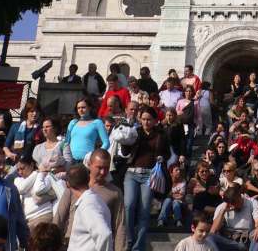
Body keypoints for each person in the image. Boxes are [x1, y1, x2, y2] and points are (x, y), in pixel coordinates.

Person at [118, 105, 170, 251]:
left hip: (150, 174)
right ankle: (128, 240)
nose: (146, 122)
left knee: (145, 209)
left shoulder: (161, 135)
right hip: (132, 173)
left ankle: (138, 246)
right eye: (143, 119)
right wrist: (125, 139)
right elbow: (125, 151)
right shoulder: (135, 132)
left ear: (155, 120)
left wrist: (162, 158)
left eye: (149, 119)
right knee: (129, 205)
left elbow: (167, 153)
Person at [54, 149, 126, 251]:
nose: (103, 172)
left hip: (97, 245)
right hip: (70, 242)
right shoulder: (76, 185)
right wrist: (51, 242)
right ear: (90, 164)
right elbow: (60, 216)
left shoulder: (114, 192)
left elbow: (120, 225)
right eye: (99, 167)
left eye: (106, 168)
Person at [65, 164, 112, 251]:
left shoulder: (88, 205)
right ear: (88, 179)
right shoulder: (93, 200)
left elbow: (104, 234)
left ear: (68, 184)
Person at [207, 184, 258, 251]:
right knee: (210, 237)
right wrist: (223, 211)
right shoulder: (222, 207)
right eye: (231, 203)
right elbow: (213, 231)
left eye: (235, 203)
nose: (233, 206)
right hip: (229, 240)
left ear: (240, 196)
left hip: (246, 239)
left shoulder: (252, 203)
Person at [14, 156, 57, 229]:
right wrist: (36, 172)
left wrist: (39, 173)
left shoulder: (43, 176)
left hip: (43, 215)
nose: (20, 172)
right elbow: (21, 189)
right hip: (27, 220)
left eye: (22, 168)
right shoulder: (18, 180)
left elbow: (39, 190)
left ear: (31, 165)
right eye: (18, 170)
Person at [158, 163, 187, 228]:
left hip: (180, 203)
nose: (179, 171)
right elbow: (165, 195)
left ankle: (178, 221)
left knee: (175, 202)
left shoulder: (183, 181)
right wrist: (174, 194)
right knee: (168, 200)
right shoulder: (167, 181)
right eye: (176, 170)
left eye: (179, 170)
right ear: (171, 172)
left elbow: (181, 196)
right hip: (166, 203)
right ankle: (161, 220)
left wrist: (171, 195)